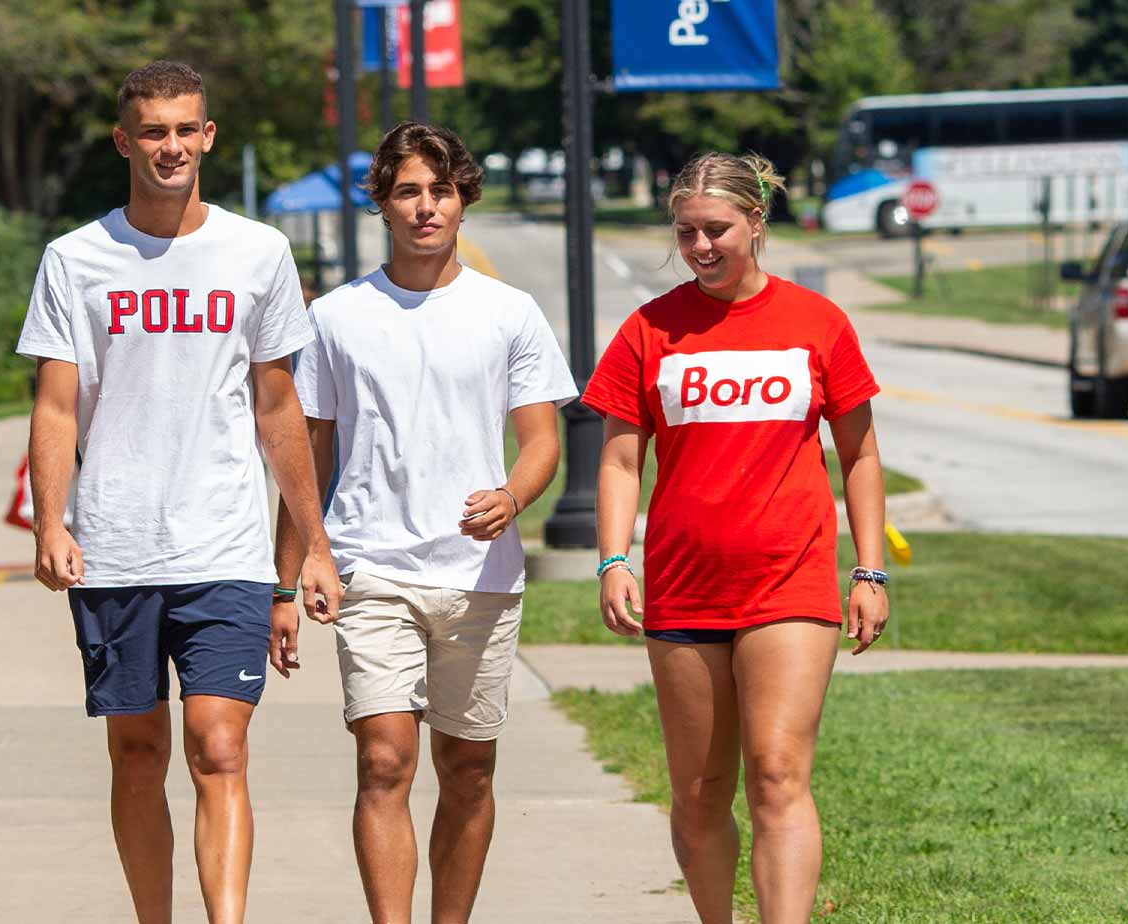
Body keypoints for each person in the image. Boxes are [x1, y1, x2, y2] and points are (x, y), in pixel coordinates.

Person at [17, 59, 343, 924]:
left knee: (219, 745)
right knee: (136, 750)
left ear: (208, 137)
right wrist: (51, 521)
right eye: (152, 132)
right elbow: (56, 406)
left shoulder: (257, 252)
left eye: (184, 129)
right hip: (115, 545)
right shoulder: (76, 258)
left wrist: (311, 544)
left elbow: (280, 406)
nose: (170, 147)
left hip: (224, 544)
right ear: (125, 141)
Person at [273, 121, 576, 923]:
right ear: (383, 202)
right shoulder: (336, 317)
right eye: (407, 190)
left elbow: (542, 439)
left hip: (480, 576)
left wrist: (511, 497)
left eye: (440, 190)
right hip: (373, 568)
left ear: (463, 198)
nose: (425, 207)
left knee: (470, 768)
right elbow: (307, 456)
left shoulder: (508, 312)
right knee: (383, 760)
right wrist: (293, 570)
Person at [583, 152, 892, 924]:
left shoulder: (817, 323)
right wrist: (615, 558)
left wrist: (870, 571)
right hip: (685, 588)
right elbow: (622, 458)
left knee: (779, 772)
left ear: (756, 222)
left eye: (716, 229)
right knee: (698, 792)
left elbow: (859, 454)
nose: (700, 247)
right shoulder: (649, 330)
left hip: (790, 582)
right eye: (686, 233)